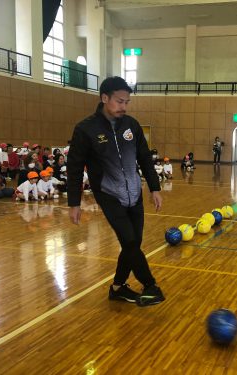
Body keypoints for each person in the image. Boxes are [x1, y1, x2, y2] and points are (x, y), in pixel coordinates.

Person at [67, 76, 164, 307]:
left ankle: (118, 288)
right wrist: (74, 203)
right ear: (104, 98)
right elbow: (75, 168)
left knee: (133, 244)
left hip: (135, 194)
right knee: (130, 242)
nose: (124, 107)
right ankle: (150, 285)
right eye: (119, 101)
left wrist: (154, 188)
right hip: (108, 194)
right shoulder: (85, 129)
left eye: (127, 102)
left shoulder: (131, 125)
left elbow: (145, 158)